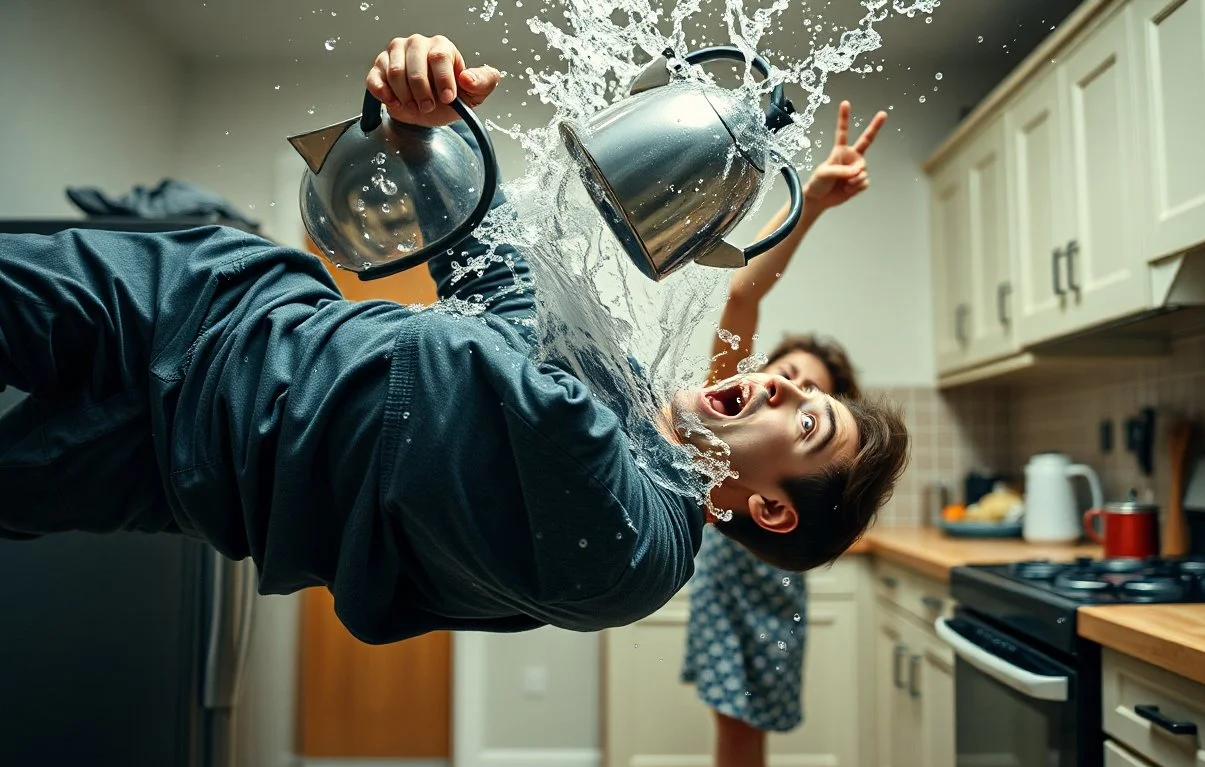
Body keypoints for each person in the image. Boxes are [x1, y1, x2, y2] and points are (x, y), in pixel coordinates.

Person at [0, 34, 908, 645]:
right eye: (799, 388)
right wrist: (419, 127)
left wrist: (551, 268)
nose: (781, 386)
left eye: (808, 424)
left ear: (773, 510)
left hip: (179, 463)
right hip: (217, 304)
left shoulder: (640, 559)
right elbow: (498, 283)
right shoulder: (636, 399)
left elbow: (479, 365)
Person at [681, 101, 886, 767]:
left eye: (811, 405)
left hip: (772, 593)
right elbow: (744, 291)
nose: (783, 384)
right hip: (722, 584)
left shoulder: (801, 507)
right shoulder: (718, 418)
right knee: (729, 723)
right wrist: (814, 208)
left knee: (749, 726)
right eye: (785, 372)